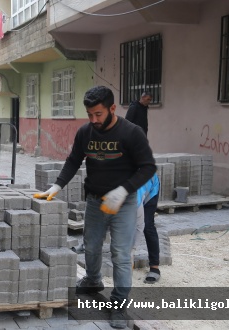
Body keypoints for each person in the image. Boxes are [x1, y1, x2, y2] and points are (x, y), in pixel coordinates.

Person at [33, 86, 156, 329]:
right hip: (95, 200)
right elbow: (73, 160)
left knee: (120, 254)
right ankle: (92, 280)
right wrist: (56, 186)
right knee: (90, 246)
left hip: (124, 202)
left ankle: (118, 305)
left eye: (98, 114)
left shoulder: (132, 133)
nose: (94, 120)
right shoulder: (85, 132)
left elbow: (148, 167)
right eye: (89, 114)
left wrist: (123, 190)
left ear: (112, 108)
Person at [133, 173, 161, 284]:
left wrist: (132, 250)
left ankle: (155, 267)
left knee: (147, 225)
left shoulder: (135, 195)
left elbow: (139, 226)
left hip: (150, 188)